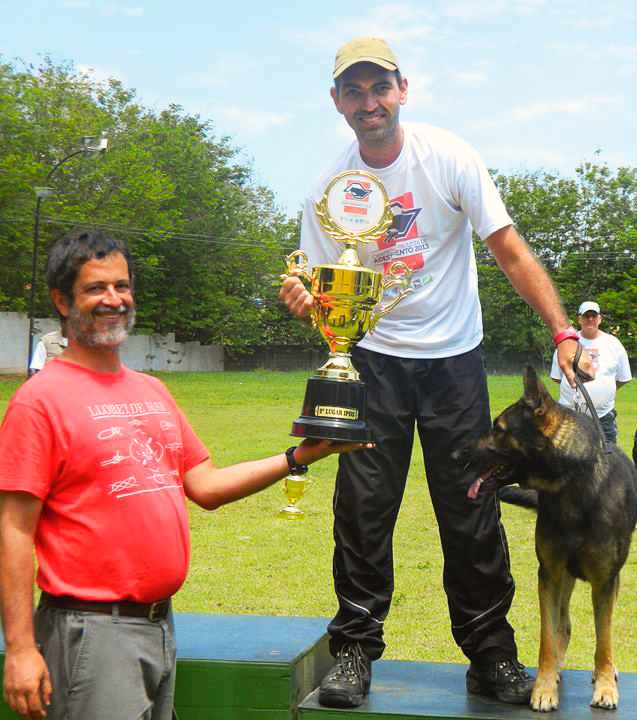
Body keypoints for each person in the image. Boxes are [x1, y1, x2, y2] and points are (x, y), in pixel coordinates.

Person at [278, 37, 585, 710]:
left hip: (452, 362)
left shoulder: (448, 157)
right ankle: (354, 650)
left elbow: (508, 249)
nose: (369, 103)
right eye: (353, 92)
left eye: (378, 88)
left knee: (472, 507)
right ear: (337, 102)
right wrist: (308, 308)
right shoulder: (327, 189)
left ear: (403, 90)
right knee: (362, 510)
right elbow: (328, 304)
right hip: (371, 363)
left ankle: (492, 656)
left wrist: (562, 330)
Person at [0, 230, 368, 720]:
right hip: (90, 630)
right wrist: (22, 650)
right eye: (96, 289)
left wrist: (299, 457)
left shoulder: (151, 391)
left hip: (160, 623)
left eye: (122, 286)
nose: (114, 300)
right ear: (62, 302)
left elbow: (207, 487)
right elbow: (14, 530)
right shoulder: (40, 401)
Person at [549, 301, 631, 445]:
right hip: (570, 416)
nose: (590, 319)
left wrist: (606, 390)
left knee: (608, 460)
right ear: (579, 319)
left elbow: (623, 378)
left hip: (603, 416)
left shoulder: (613, 343)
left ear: (600, 319)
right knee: (568, 459)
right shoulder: (567, 344)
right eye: (586, 316)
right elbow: (557, 377)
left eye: (594, 315)